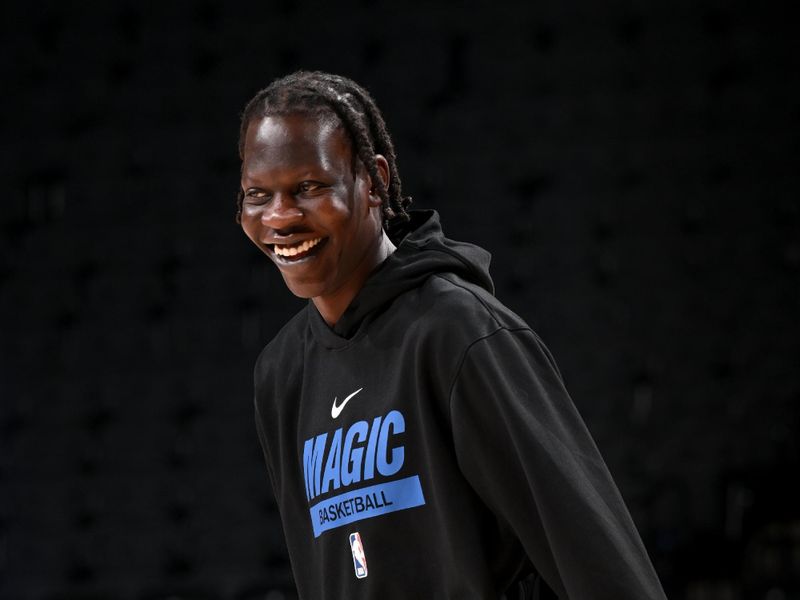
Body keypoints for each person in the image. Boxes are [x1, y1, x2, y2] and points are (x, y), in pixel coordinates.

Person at [236, 70, 667, 599]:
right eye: (259, 194)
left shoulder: (459, 334)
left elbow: (599, 560)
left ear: (372, 180)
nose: (280, 216)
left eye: (309, 187)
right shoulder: (281, 373)